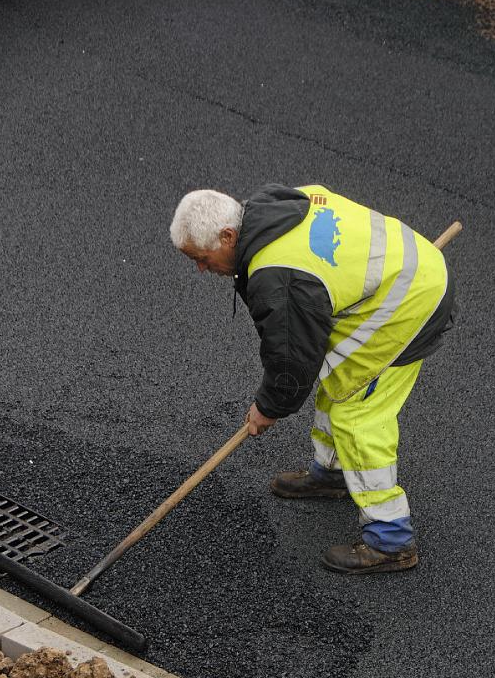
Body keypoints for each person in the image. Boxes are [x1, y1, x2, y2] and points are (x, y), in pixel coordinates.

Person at [169, 184, 456, 574]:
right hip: (396, 275)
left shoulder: (279, 277)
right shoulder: (276, 204)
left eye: (202, 259)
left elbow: (292, 361)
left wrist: (267, 407)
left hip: (409, 301)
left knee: (357, 413)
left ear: (228, 236)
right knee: (339, 371)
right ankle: (333, 473)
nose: (202, 269)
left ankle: (391, 538)